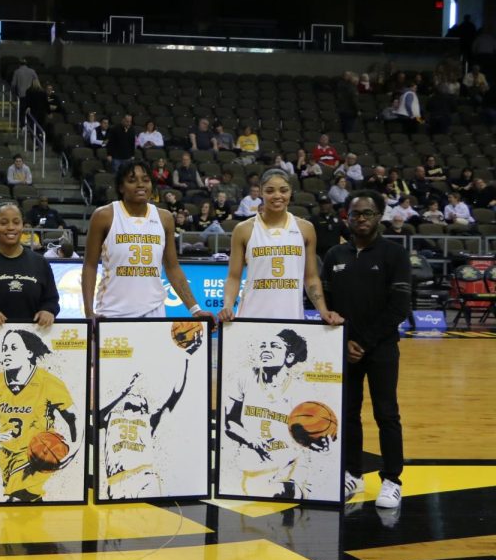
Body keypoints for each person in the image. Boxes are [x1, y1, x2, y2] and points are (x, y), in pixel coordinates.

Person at [323, 190, 410, 510]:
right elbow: (327, 305)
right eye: (355, 213)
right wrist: (344, 341)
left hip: (382, 348)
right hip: (344, 349)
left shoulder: (394, 254)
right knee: (348, 413)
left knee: (387, 413)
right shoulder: (334, 255)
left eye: (367, 213)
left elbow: (399, 307)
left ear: (379, 217)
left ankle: (392, 480)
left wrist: (365, 342)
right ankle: (353, 474)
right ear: (347, 216)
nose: (360, 218)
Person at [80, 161, 213, 319]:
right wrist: (89, 312)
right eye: (132, 180)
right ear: (121, 187)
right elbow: (89, 265)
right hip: (111, 311)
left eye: (145, 180)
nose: (140, 185)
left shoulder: (165, 218)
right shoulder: (104, 216)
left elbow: (172, 268)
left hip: (154, 311)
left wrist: (195, 309)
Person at [219, 169, 344, 324]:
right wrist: (228, 306)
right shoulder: (244, 229)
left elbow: (310, 277)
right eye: (270, 191)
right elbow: (233, 276)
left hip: (291, 317)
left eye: (283, 190)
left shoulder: (305, 228)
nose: (277, 196)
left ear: (291, 192)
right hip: (251, 316)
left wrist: (323, 310)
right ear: (261, 193)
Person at [223, 328, 332, 499]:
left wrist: (317, 440)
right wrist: (252, 441)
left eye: (274, 346)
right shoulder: (243, 378)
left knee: (277, 494)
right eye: (263, 346)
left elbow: (310, 432)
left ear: (289, 357)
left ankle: (298, 487)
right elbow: (229, 424)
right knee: (249, 491)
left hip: (291, 462)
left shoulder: (301, 390)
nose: (266, 350)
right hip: (255, 460)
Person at [0, 328, 78, 502]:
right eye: (4, 348)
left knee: (16, 500)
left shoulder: (48, 381)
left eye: (14, 348)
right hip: (7, 456)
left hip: (38, 454)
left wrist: (73, 449)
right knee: (27, 503)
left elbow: (74, 417)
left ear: (29, 353)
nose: (7, 353)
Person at [98, 323, 201, 499]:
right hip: (116, 481)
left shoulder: (148, 421)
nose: (137, 396)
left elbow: (174, 396)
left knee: (148, 520)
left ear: (144, 407)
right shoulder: (112, 417)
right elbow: (95, 416)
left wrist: (186, 357)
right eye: (133, 397)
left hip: (144, 477)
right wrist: (123, 393)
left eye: (140, 400)